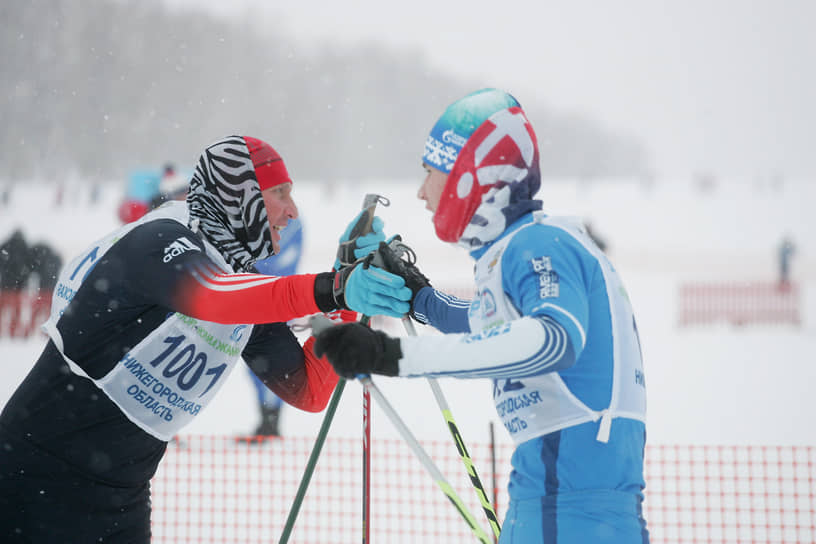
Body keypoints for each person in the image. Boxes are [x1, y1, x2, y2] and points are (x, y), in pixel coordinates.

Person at [0, 135, 412, 542]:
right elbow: (212, 297)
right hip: (34, 477)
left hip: (121, 500)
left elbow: (308, 389)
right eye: (280, 193)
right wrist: (336, 286)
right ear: (240, 196)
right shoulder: (160, 238)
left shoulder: (239, 284)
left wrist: (345, 290)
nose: (292, 211)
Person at [314, 89, 650, 543]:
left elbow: (554, 339)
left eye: (430, 173)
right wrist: (420, 298)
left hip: (570, 511)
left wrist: (390, 354)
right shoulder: (521, 249)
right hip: (547, 499)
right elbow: (487, 326)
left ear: (469, 177)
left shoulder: (539, 245)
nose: (420, 192)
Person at [244, 216, 305, 439]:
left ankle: (271, 421)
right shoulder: (256, 216)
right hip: (254, 299)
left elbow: (285, 259)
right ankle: (265, 421)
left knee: (273, 363)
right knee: (254, 365)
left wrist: (253, 268)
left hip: (277, 300)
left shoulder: (292, 221)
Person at [0, 229, 32, 338]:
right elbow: (30, 265)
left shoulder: (5, 245)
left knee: (3, 309)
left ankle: (2, 331)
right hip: (18, 286)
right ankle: (12, 331)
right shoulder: (25, 247)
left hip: (5, 285)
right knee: (16, 311)